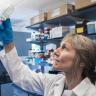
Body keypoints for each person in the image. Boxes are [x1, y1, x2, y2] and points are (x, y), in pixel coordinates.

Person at [0, 9, 96, 96]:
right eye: (59, 47)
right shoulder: (53, 82)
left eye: (64, 48)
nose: (55, 51)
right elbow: (21, 76)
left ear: (83, 61)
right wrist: (8, 43)